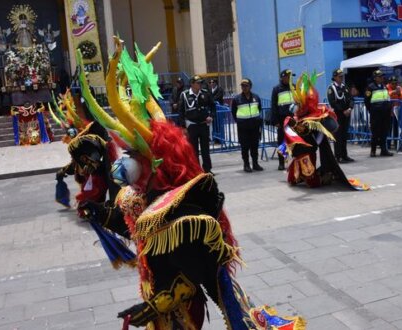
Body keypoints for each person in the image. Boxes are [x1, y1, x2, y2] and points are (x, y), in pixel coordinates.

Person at [74, 37, 306, 329]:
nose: (123, 162)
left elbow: (190, 275)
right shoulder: (141, 197)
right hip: (155, 299)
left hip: (179, 310)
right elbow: (134, 227)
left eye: (131, 154)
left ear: (153, 162)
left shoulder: (183, 214)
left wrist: (155, 305)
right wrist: (100, 213)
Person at [283, 72, 369, 191]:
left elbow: (311, 132)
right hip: (298, 152)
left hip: (306, 152)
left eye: (299, 104)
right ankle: (307, 175)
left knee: (312, 183)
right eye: (296, 104)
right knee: (292, 180)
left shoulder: (313, 118)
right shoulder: (296, 117)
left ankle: (323, 177)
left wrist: (296, 126)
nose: (296, 106)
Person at [178, 75, 216, 174]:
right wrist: (183, 127)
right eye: (197, 83)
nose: (199, 85)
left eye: (200, 83)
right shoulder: (185, 95)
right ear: (192, 84)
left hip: (203, 125)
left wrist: (211, 116)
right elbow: (181, 112)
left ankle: (207, 169)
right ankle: (196, 171)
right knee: (193, 150)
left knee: (205, 149)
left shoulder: (205, 93)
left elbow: (213, 106)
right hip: (191, 126)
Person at [231, 78, 263, 172]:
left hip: (254, 126)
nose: (244, 88)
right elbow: (233, 112)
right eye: (242, 86)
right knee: (245, 146)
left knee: (254, 145)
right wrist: (240, 121)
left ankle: (255, 164)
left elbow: (259, 109)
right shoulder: (237, 99)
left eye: (246, 86)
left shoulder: (256, 97)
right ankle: (246, 164)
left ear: (250, 86)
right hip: (243, 127)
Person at [327, 68, 354, 163]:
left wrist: (350, 108)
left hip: (346, 114)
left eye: (342, 76)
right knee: (338, 136)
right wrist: (343, 110)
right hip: (338, 115)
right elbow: (333, 102)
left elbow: (351, 99)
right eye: (339, 76)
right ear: (334, 77)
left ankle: (344, 155)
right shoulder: (331, 88)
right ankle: (338, 156)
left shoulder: (344, 87)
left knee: (344, 135)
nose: (341, 78)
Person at [364, 69, 393, 157]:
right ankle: (373, 151)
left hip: (385, 113)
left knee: (384, 132)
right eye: (380, 77)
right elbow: (367, 101)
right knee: (375, 132)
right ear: (375, 78)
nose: (382, 78)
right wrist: (372, 110)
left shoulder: (384, 86)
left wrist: (389, 109)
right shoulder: (370, 87)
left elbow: (387, 98)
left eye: (382, 76)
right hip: (376, 114)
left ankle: (384, 150)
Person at [271, 69, 295, 170]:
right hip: (281, 119)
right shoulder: (277, 89)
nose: (290, 79)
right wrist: (275, 121)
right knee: (281, 142)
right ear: (283, 77)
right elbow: (274, 106)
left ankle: (294, 162)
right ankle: (281, 163)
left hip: (293, 119)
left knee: (294, 141)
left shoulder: (294, 87)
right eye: (288, 77)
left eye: (291, 77)